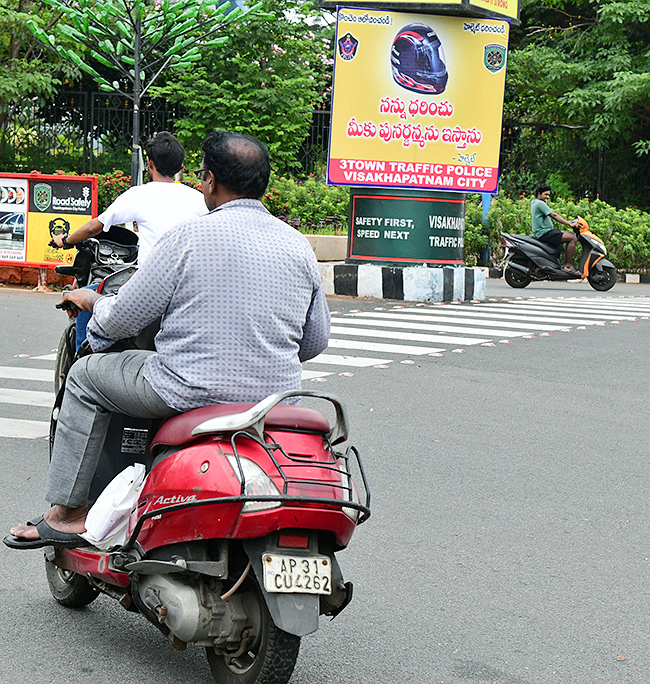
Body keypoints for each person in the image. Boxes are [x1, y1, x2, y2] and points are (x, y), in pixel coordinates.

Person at [5, 130, 331, 549]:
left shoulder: (187, 238)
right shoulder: (298, 246)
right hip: (276, 401)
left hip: (186, 391)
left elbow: (124, 317)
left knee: (85, 375)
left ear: (210, 180)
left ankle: (67, 514)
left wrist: (93, 303)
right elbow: (314, 341)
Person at [55, 131, 207, 350]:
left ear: (150, 163)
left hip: (148, 287)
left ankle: (82, 365)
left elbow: (93, 227)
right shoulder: (198, 198)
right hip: (189, 288)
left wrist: (65, 241)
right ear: (181, 166)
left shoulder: (139, 194)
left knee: (87, 299)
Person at [531, 183, 580, 275]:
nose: (548, 197)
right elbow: (554, 215)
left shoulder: (534, 202)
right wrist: (569, 223)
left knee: (569, 235)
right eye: (546, 194)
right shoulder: (540, 203)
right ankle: (568, 265)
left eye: (549, 195)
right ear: (539, 194)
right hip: (544, 233)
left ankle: (558, 265)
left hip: (546, 232)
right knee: (572, 238)